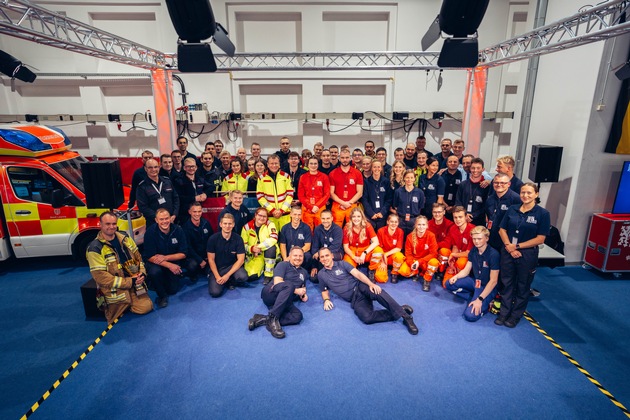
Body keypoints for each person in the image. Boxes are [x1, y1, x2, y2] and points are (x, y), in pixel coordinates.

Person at [317, 247, 418, 335]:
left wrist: (371, 284)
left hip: (360, 286)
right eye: (322, 257)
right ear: (320, 260)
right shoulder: (321, 274)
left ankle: (406, 317)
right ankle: (400, 309)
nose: (325, 258)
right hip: (355, 299)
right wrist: (326, 300)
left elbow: (358, 274)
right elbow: (324, 290)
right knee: (367, 318)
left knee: (378, 292)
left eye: (327, 255)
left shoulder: (342, 264)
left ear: (332, 256)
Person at [496, 183, 550, 328]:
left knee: (522, 285)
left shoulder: (542, 214)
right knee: (506, 283)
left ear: (536, 194)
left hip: (527, 254)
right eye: (522, 192)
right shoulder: (512, 209)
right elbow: (502, 229)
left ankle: (515, 315)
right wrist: (509, 246)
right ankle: (504, 312)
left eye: (529, 193)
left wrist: (518, 246)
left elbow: (540, 239)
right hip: (508, 251)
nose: (525, 195)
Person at [86, 212, 152, 323]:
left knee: (147, 307)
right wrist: (129, 282)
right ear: (100, 224)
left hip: (135, 284)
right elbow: (102, 278)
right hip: (116, 291)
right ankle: (123, 305)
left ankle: (131, 302)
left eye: (114, 224)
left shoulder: (125, 238)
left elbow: (139, 258)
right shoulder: (94, 248)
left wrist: (142, 274)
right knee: (114, 318)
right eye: (107, 224)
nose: (111, 227)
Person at [249, 247, 309, 339]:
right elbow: (277, 283)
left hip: (285, 300)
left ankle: (264, 319)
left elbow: (303, 287)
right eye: (295, 255)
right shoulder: (283, 265)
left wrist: (303, 294)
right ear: (289, 256)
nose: (298, 258)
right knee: (289, 285)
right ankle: (273, 319)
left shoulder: (304, 272)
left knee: (298, 316)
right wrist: (296, 291)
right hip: (271, 294)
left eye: (300, 256)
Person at [446, 226, 500, 322]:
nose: (476, 241)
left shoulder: (494, 255)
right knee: (449, 283)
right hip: (475, 282)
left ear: (486, 238)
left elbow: (493, 281)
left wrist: (479, 299)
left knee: (470, 316)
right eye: (474, 239)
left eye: (479, 239)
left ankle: (487, 303)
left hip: (487, 286)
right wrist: (456, 276)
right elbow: (466, 271)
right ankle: (473, 297)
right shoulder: (473, 251)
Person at [143, 208, 194, 308]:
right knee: (155, 272)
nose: (164, 221)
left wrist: (165, 258)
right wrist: (170, 265)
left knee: (173, 290)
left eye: (166, 218)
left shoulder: (178, 230)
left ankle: (160, 282)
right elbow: (149, 256)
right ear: (156, 220)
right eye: (161, 219)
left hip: (172, 260)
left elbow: (183, 253)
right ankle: (161, 296)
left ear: (170, 218)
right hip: (156, 263)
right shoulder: (150, 232)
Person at [207, 213, 248, 297]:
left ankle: (229, 279)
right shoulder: (213, 239)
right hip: (217, 269)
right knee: (215, 293)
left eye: (230, 224)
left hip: (232, 267)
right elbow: (211, 259)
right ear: (220, 224)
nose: (227, 226)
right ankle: (226, 281)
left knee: (243, 277)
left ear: (233, 225)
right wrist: (217, 276)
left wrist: (227, 275)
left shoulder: (238, 239)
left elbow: (241, 260)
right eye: (225, 223)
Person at [342, 207, 382, 281]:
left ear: (362, 217)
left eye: (358, 216)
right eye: (354, 216)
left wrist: (364, 253)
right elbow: (346, 247)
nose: (356, 219)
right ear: (351, 218)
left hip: (365, 250)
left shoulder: (367, 225)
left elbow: (376, 242)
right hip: (353, 252)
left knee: (378, 251)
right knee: (346, 271)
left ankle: (371, 270)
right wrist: (354, 257)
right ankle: (355, 268)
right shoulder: (346, 227)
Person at [136, 158, 179, 227]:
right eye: (150, 167)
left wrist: (174, 214)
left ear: (159, 167)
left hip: (171, 220)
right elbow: (142, 207)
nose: (153, 170)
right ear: (145, 169)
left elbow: (176, 198)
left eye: (156, 167)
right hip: (154, 223)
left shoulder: (167, 181)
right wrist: (160, 218)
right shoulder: (142, 187)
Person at [400, 216, 438, 291]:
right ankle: (416, 272)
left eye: (423, 225)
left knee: (434, 263)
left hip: (425, 261)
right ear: (415, 225)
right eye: (419, 224)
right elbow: (408, 254)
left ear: (427, 226)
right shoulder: (409, 237)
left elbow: (433, 254)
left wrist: (419, 262)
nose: (421, 227)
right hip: (414, 261)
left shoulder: (431, 236)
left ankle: (427, 279)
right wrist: (412, 264)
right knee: (403, 271)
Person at [256, 154, 294, 231]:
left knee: (287, 239)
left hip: (285, 215)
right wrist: (272, 210)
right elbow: (260, 197)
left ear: (279, 164)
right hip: (270, 215)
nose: (274, 165)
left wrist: (282, 210)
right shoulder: (261, 178)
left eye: (276, 163)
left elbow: (290, 194)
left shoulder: (286, 176)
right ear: (268, 165)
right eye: (271, 163)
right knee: (272, 239)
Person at [242, 208, 279, 284]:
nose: (262, 218)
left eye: (264, 216)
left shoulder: (270, 224)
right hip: (254, 255)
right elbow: (242, 245)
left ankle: (268, 275)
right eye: (260, 215)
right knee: (251, 276)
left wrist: (259, 247)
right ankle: (264, 266)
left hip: (268, 252)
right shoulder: (246, 227)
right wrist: (252, 249)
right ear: (255, 215)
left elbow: (274, 238)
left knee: (271, 248)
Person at [485, 173, 521, 250]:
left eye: (502, 183)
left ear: (509, 184)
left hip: (507, 240)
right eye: (496, 182)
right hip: (492, 238)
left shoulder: (516, 199)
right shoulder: (490, 199)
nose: (499, 185)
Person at [329, 149, 364, 227]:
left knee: (354, 228)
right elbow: (331, 193)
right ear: (339, 158)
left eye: (347, 157)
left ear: (350, 158)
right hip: (337, 205)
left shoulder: (357, 173)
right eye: (342, 158)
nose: (345, 160)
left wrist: (349, 203)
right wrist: (343, 203)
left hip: (352, 205)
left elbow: (360, 193)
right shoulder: (333, 173)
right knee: (336, 229)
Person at [182, 202, 213, 283]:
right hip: (193, 257)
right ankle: (193, 274)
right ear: (189, 212)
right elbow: (188, 247)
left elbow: (212, 240)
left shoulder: (206, 223)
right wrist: (200, 260)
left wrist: (209, 256)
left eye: (199, 211)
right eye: (194, 212)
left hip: (206, 255)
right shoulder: (185, 228)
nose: (197, 214)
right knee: (192, 265)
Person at [455, 157, 491, 227]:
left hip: (479, 221)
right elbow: (458, 201)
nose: (475, 170)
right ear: (470, 169)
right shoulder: (463, 184)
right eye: (473, 168)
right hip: (463, 220)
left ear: (483, 169)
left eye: (478, 168)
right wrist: (464, 214)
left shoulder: (486, 186)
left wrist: (473, 216)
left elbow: (486, 205)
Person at [310, 209, 343, 282]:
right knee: (314, 278)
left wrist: (320, 253)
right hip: (321, 256)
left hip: (335, 254)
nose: (325, 221)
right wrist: (314, 266)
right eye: (323, 218)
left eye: (328, 218)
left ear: (332, 218)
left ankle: (334, 274)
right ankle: (325, 275)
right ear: (320, 219)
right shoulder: (317, 229)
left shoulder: (338, 230)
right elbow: (315, 247)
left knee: (331, 257)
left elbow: (335, 247)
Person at [298, 156, 330, 231]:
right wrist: (310, 207)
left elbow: (327, 194)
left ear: (318, 165)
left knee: (322, 229)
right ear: (307, 165)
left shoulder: (324, 177)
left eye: (315, 163)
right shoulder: (303, 177)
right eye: (311, 163)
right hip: (307, 208)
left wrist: (317, 206)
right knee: (307, 230)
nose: (313, 165)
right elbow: (301, 195)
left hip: (320, 207)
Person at [174, 157, 210, 223]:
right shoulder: (178, 181)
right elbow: (179, 197)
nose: (191, 169)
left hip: (199, 212)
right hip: (185, 214)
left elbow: (211, 187)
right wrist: (194, 198)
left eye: (193, 166)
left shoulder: (200, 179)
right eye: (188, 167)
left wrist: (205, 194)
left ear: (196, 167)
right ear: (184, 168)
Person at [392, 169, 425, 238]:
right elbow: (395, 205)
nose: (409, 179)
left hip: (414, 219)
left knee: (413, 239)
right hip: (401, 219)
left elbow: (421, 206)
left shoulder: (419, 192)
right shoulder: (398, 191)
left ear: (414, 179)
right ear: (404, 178)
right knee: (400, 238)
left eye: (411, 177)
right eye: (407, 177)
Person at [362, 159, 392, 231]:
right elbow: (364, 199)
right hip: (370, 216)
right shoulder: (366, 182)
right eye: (374, 167)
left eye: (378, 167)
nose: (376, 169)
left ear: (381, 168)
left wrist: (382, 212)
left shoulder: (386, 181)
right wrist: (371, 213)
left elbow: (389, 199)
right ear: (371, 168)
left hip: (382, 215)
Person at [374, 214, 405, 283]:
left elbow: (398, 248)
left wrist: (386, 254)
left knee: (399, 256)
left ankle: (395, 273)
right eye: (391, 221)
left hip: (392, 256)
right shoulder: (381, 231)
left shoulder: (400, 232)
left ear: (398, 223)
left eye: (396, 222)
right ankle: (382, 269)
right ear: (387, 222)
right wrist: (382, 260)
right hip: (382, 256)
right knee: (381, 279)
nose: (393, 224)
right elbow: (378, 248)